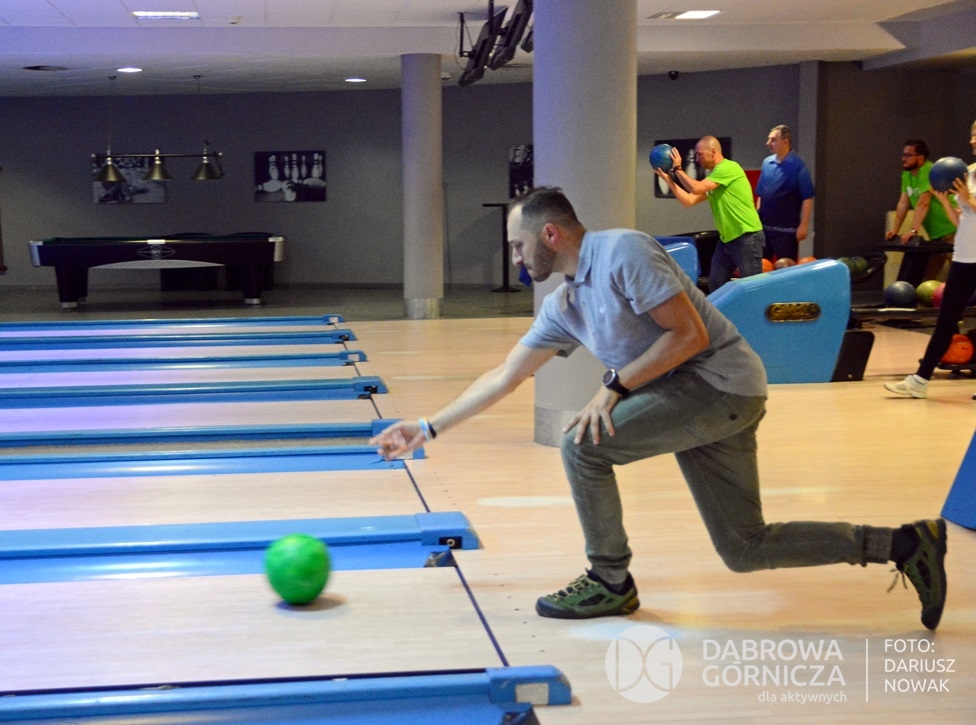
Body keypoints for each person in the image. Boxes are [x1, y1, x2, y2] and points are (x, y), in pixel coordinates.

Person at [371, 187, 947, 631]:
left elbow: (690, 335)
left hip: (721, 385)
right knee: (744, 548)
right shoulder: (566, 304)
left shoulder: (622, 252)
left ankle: (609, 579)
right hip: (701, 399)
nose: (515, 257)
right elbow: (506, 376)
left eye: (518, 245)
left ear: (549, 233)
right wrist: (427, 427)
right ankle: (903, 544)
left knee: (582, 445)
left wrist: (614, 386)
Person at [886, 122, 976, 399]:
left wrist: (968, 200)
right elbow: (963, 220)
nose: (972, 140)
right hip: (964, 257)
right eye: (972, 135)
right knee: (946, 320)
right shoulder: (969, 173)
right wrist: (947, 202)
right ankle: (920, 380)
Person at [655, 136, 764, 292]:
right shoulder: (714, 178)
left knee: (752, 287)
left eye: (699, 154)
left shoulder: (728, 168)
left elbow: (696, 188)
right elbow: (688, 200)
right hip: (727, 239)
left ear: (713, 152)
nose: (697, 159)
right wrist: (668, 180)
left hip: (747, 236)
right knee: (716, 283)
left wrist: (678, 168)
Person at [885, 139, 957, 285]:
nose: (903, 159)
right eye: (903, 155)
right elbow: (903, 203)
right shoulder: (907, 174)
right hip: (936, 236)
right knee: (928, 280)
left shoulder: (929, 171)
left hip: (952, 231)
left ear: (921, 157)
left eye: (908, 155)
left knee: (962, 275)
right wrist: (895, 230)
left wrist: (913, 230)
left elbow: (923, 203)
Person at [755, 125, 815, 262]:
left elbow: (807, 197)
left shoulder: (798, 166)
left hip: (787, 231)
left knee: (786, 267)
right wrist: (757, 218)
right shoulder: (767, 163)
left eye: (773, 140)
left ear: (785, 142)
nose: (768, 143)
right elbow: (761, 194)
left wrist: (804, 225)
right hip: (765, 228)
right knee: (761, 266)